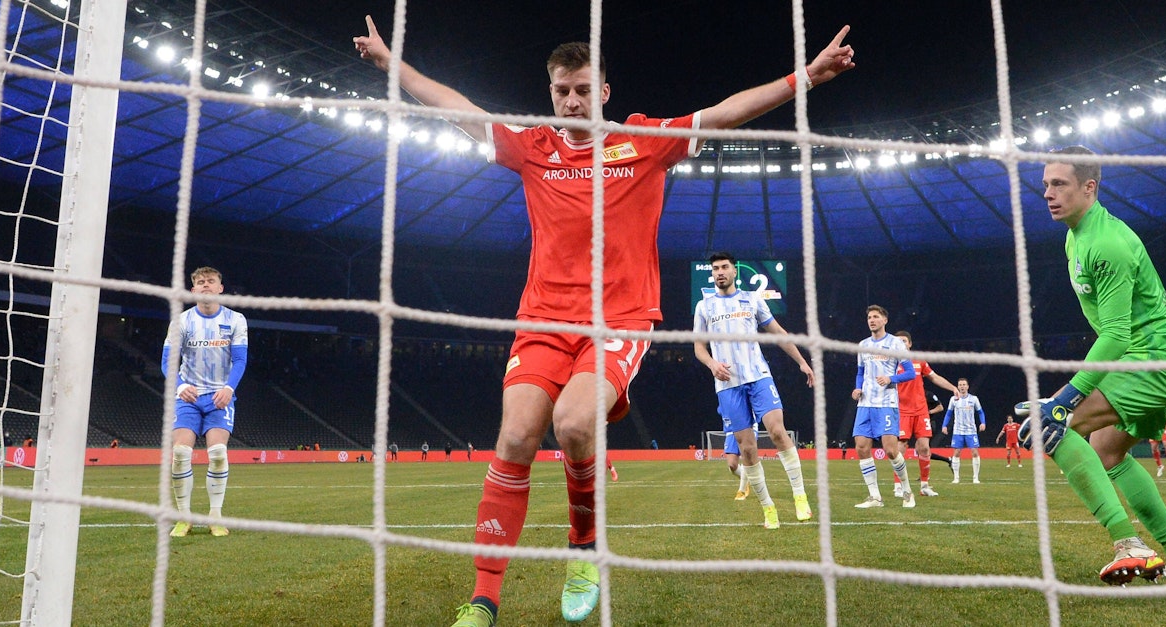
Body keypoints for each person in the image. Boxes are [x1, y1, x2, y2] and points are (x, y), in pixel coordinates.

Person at [353, 18, 856, 627]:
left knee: (570, 424)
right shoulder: (532, 145)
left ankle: (584, 548)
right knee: (514, 438)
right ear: (552, 93)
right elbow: (456, 106)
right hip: (541, 318)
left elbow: (724, 112)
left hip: (619, 318)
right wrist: (391, 64)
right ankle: (484, 598)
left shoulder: (640, 140)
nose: (573, 100)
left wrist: (806, 76)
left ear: (605, 94)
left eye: (585, 89)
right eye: (563, 90)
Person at [1015, 146, 1166, 585]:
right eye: (1045, 184)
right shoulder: (1075, 235)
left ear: (1089, 187)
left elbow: (1117, 333)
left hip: (1153, 361)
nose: (1047, 193)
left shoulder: (1107, 243)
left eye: (1058, 184)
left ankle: (1129, 544)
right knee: (1108, 452)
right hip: (1144, 360)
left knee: (1052, 427)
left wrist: (1065, 399)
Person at [693, 252, 817, 527]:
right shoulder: (704, 306)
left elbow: (779, 333)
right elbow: (699, 347)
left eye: (725, 267)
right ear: (712, 274)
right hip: (727, 385)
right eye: (715, 269)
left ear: (734, 271)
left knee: (776, 430)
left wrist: (801, 362)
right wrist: (712, 364)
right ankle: (768, 507)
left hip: (758, 376)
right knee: (747, 450)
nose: (720, 272)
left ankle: (800, 497)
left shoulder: (752, 300)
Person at [163, 266, 248, 539]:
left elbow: (240, 360)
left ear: (220, 288)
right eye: (200, 282)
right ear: (193, 290)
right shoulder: (182, 322)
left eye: (211, 281)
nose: (206, 285)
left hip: (219, 397)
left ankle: (215, 516)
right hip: (188, 396)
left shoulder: (236, 320)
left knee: (218, 453)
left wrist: (228, 388)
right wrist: (180, 385)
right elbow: (167, 361)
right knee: (180, 454)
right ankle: (183, 517)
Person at [853, 305, 915, 508]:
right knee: (861, 447)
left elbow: (910, 373)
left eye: (876, 317)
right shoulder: (862, 345)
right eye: (869, 317)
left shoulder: (896, 343)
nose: (872, 320)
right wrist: (857, 388)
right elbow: (860, 373)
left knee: (890, 450)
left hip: (886, 403)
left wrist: (891, 378)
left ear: (885, 320)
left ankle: (907, 491)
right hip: (865, 404)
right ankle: (874, 497)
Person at [891, 331, 957, 498]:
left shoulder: (919, 361)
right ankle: (898, 487)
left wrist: (952, 388)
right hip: (902, 411)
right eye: (898, 341)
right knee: (900, 448)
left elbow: (934, 378)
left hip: (921, 411)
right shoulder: (890, 362)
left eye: (904, 341)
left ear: (910, 344)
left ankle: (924, 486)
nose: (901, 343)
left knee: (924, 447)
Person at [944, 378, 986, 484]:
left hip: (971, 430)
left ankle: (975, 478)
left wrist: (983, 423)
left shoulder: (974, 399)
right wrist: (944, 425)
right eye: (960, 385)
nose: (962, 387)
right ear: (958, 387)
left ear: (967, 386)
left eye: (964, 385)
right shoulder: (953, 399)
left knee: (974, 452)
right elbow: (948, 413)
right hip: (958, 430)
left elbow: (980, 412)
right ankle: (956, 478)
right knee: (957, 452)